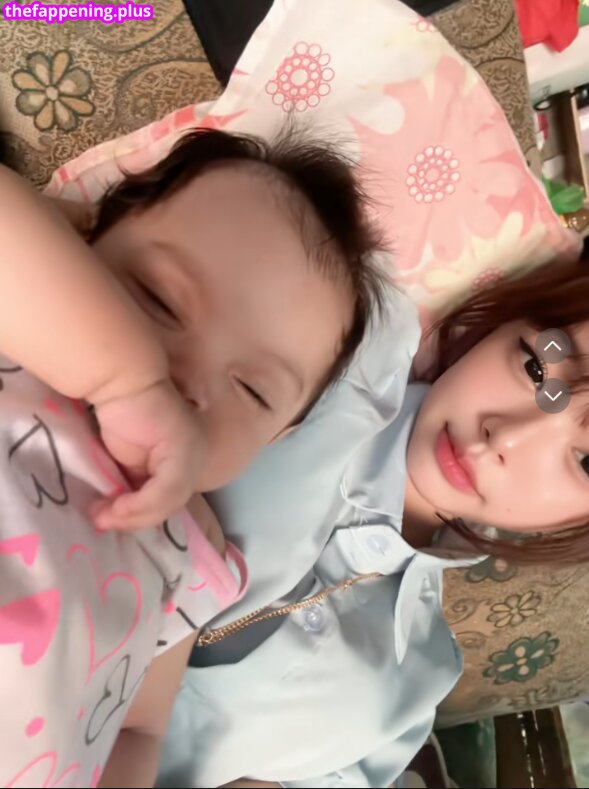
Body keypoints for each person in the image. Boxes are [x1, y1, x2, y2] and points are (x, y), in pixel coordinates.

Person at [0, 128, 385, 787]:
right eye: (155, 298)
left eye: (253, 390)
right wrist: (123, 379)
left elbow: (136, 730)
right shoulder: (25, 328)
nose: (185, 379)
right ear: (81, 242)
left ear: (277, 439)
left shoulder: (188, 553)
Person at [158, 254, 589, 788]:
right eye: (535, 368)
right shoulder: (334, 344)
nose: (504, 437)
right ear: (498, 327)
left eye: (585, 461)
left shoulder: (417, 679)